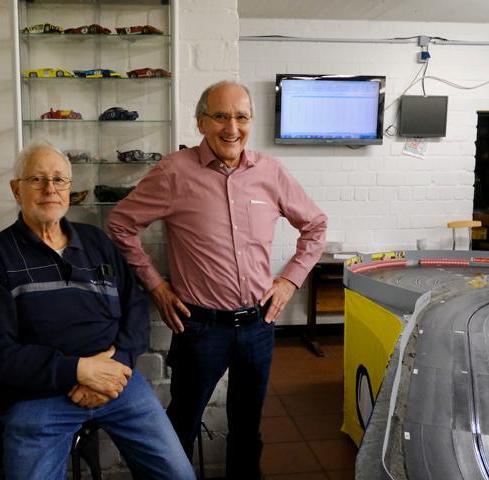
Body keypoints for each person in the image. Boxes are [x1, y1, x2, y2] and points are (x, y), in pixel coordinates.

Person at [107, 81, 328, 478]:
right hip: (200, 329)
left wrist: (289, 281)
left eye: (241, 117)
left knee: (247, 430)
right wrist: (155, 285)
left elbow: (315, 225)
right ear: (201, 122)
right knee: (182, 425)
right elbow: (121, 224)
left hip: (258, 325)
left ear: (251, 121)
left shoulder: (270, 172)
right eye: (221, 116)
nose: (232, 128)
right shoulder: (174, 172)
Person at [0, 139, 195, 480]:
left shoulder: (97, 243)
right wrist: (78, 371)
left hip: (117, 383)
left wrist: (116, 365)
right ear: (16, 190)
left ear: (69, 189)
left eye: (59, 180)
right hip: (38, 397)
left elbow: (135, 311)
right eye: (37, 179)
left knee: (178, 474)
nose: (50, 189)